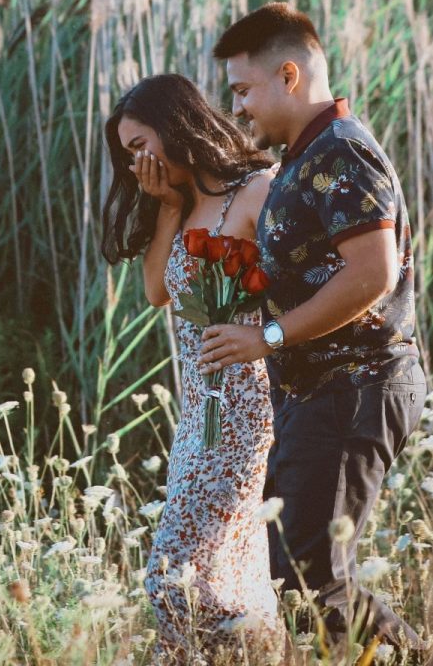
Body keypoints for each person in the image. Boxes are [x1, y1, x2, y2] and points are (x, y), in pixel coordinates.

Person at [197, 2, 433, 665]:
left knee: (310, 581)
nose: (241, 108)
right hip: (319, 395)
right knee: (294, 574)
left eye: (244, 90)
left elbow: (373, 271)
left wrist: (271, 339)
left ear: (289, 74)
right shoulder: (303, 158)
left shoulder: (341, 151)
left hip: (355, 386)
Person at [101, 73, 281, 662]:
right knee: (220, 575)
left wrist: (264, 334)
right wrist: (170, 208)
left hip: (247, 413)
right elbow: (158, 289)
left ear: (175, 127)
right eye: (128, 155)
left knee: (174, 578)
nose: (136, 163)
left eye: (139, 146)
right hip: (198, 418)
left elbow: (303, 290)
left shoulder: (258, 189)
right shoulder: (180, 207)